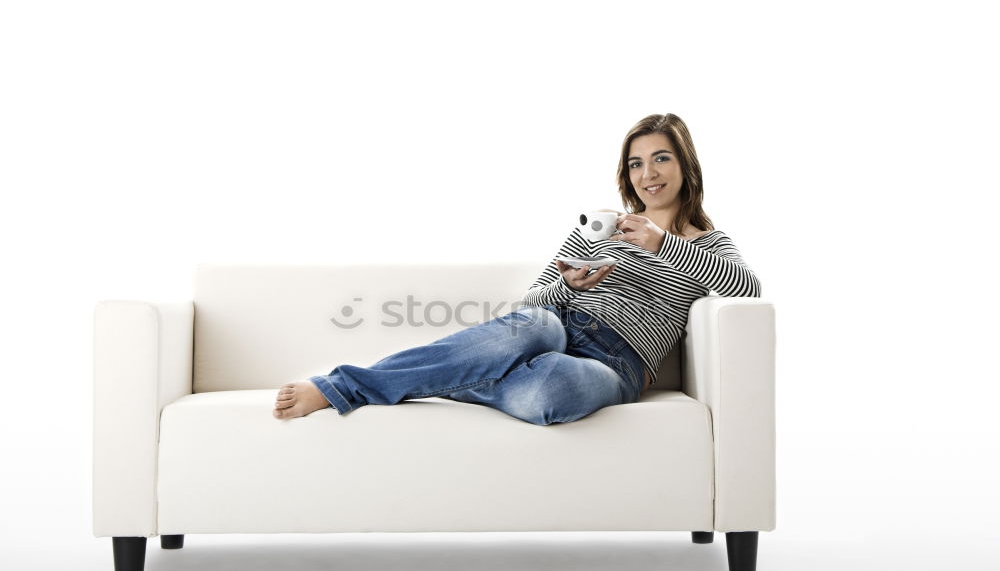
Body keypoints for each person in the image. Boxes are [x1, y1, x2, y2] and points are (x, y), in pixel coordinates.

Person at [272, 113, 761, 425]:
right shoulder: (601, 228)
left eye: (660, 159)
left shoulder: (708, 243)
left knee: (554, 390)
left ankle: (453, 376)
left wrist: (663, 242)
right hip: (555, 330)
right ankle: (344, 385)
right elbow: (535, 301)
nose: (648, 174)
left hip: (614, 364)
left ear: (685, 166)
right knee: (535, 323)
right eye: (635, 164)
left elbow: (745, 288)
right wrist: (567, 286)